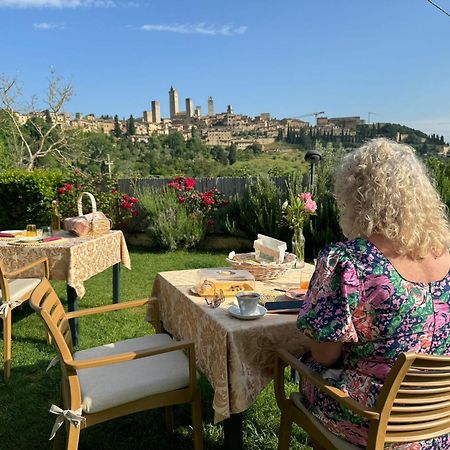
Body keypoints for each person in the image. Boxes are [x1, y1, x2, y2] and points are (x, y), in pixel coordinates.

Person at [296, 138, 450, 449]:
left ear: (355, 197)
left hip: (372, 421)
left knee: (304, 368)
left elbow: (326, 355)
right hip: (438, 421)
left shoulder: (347, 263)